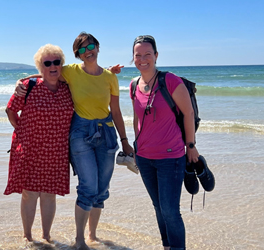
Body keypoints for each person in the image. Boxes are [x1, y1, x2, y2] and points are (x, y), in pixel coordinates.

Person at [15, 32, 133, 250]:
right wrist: (21, 81)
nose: (87, 52)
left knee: (101, 189)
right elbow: (46, 72)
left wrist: (125, 141)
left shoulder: (110, 77)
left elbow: (115, 111)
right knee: (88, 185)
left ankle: (92, 236)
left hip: (106, 132)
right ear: (77, 55)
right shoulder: (70, 71)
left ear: (98, 46)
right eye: (82, 50)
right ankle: (79, 240)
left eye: (90, 47)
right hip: (80, 132)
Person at [129, 35, 199, 250]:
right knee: (158, 207)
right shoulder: (133, 85)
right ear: (133, 58)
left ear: (156, 56)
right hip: (144, 157)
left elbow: (188, 113)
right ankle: (167, 246)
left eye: (147, 54)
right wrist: (135, 148)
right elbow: (136, 118)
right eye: (138, 55)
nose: (143, 59)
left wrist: (191, 146)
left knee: (170, 210)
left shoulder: (170, 81)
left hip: (171, 157)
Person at [4, 44, 74, 243]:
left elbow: (89, 81)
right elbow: (10, 110)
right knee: (30, 193)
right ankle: (27, 236)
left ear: (62, 65)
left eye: (56, 62)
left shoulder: (69, 89)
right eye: (47, 63)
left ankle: (46, 236)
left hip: (57, 150)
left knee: (49, 195)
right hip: (30, 149)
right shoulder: (29, 87)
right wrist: (21, 131)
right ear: (40, 67)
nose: (53, 66)